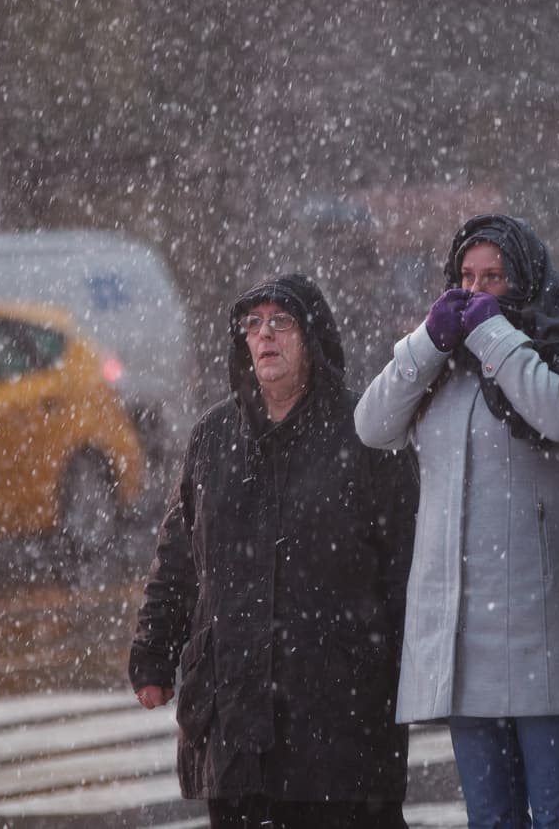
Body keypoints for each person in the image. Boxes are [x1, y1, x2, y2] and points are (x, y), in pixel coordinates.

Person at [129, 274, 417, 829]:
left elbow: (407, 567)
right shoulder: (214, 437)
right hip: (234, 712)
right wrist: (153, 654)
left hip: (340, 715)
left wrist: (419, 671)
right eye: (253, 324)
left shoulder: (366, 433)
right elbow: (180, 558)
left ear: (311, 337)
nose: (265, 336)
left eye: (280, 322)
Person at [355, 214, 559, 829]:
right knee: (491, 818)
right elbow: (370, 425)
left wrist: (494, 335)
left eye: (493, 277)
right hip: (463, 634)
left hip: (539, 624)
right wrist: (428, 340)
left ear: (522, 279)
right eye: (466, 277)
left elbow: (556, 415)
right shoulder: (440, 366)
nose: (476, 291)